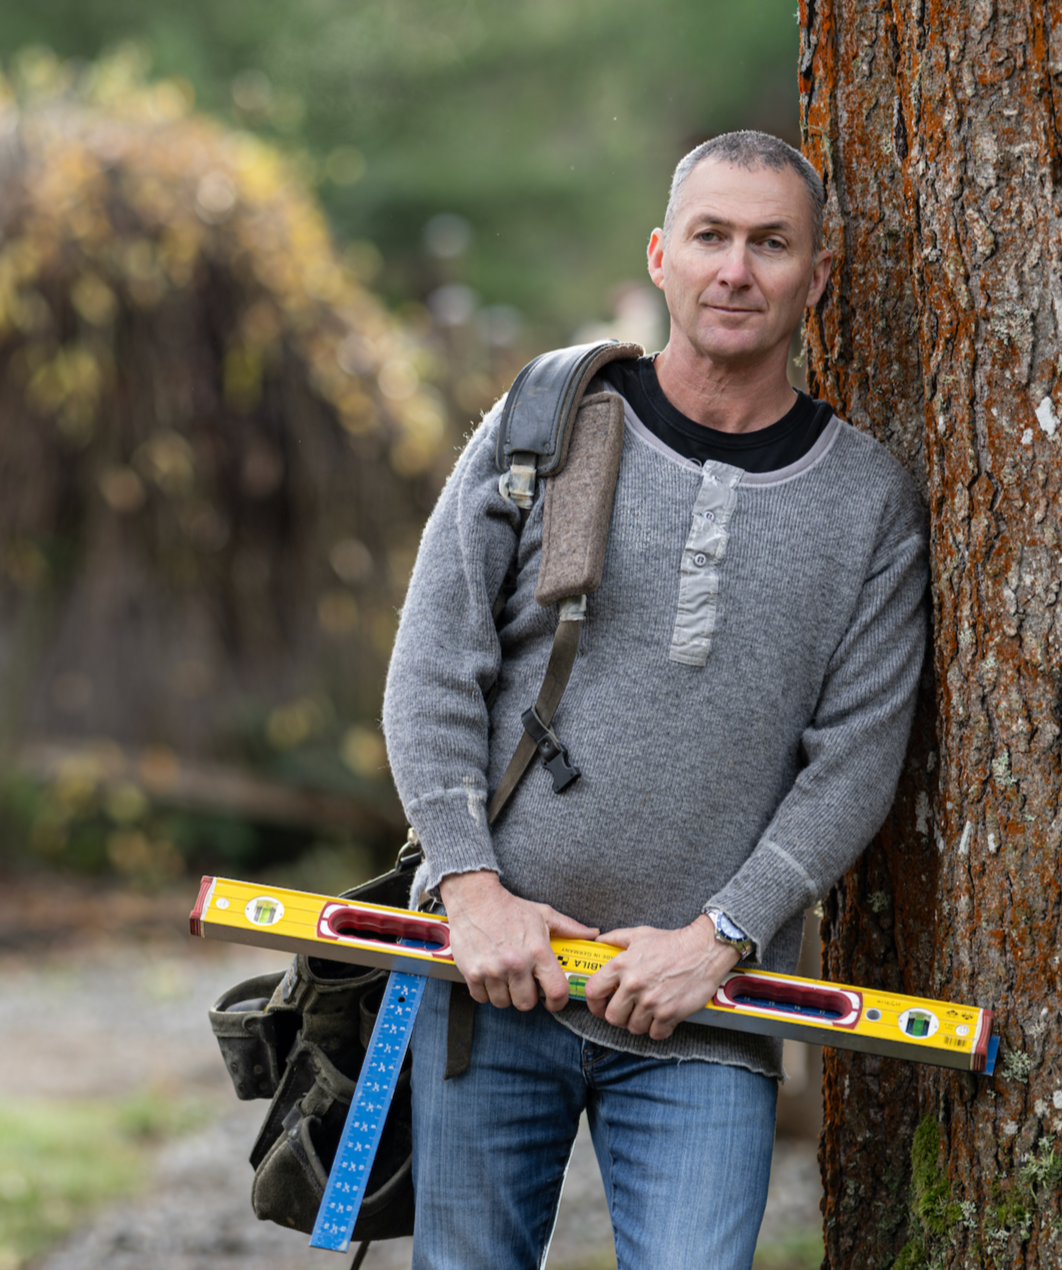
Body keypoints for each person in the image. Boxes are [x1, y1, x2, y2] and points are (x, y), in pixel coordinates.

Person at [382, 131, 928, 1269]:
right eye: (711, 236)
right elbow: (435, 666)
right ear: (662, 257)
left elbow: (856, 757)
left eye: (770, 244)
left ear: (815, 276)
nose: (737, 268)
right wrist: (472, 893)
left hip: (702, 1015)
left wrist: (720, 939)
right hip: (492, 986)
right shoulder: (550, 418)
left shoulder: (868, 500)